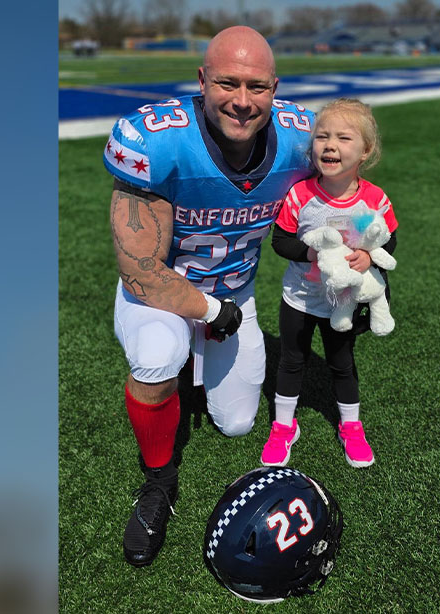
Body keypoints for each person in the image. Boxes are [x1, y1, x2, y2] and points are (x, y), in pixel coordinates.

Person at [102, 26, 315, 567]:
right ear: (202, 80)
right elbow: (141, 272)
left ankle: (192, 377)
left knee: (237, 423)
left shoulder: (301, 139)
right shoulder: (159, 141)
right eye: (227, 83)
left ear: (275, 88)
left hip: (235, 292)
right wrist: (212, 312)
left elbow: (345, 192)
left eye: (257, 86)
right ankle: (159, 481)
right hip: (162, 296)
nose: (242, 101)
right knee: (158, 355)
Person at [260, 98, 398, 469]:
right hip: (301, 297)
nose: (330, 145)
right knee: (292, 360)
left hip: (345, 302)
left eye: (343, 138)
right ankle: (284, 426)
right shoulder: (301, 195)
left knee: (341, 362)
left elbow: (388, 240)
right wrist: (312, 253)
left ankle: (351, 426)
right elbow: (280, 241)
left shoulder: (372, 200)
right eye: (322, 136)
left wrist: (368, 257)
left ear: (366, 151)